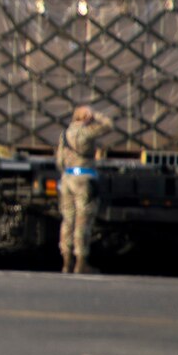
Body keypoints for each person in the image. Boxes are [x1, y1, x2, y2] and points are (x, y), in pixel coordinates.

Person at [57, 105, 113, 274]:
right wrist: (95, 114)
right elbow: (109, 125)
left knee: (67, 221)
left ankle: (66, 261)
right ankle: (81, 262)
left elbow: (59, 161)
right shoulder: (86, 132)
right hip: (83, 179)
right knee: (83, 222)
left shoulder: (64, 134)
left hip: (67, 179)